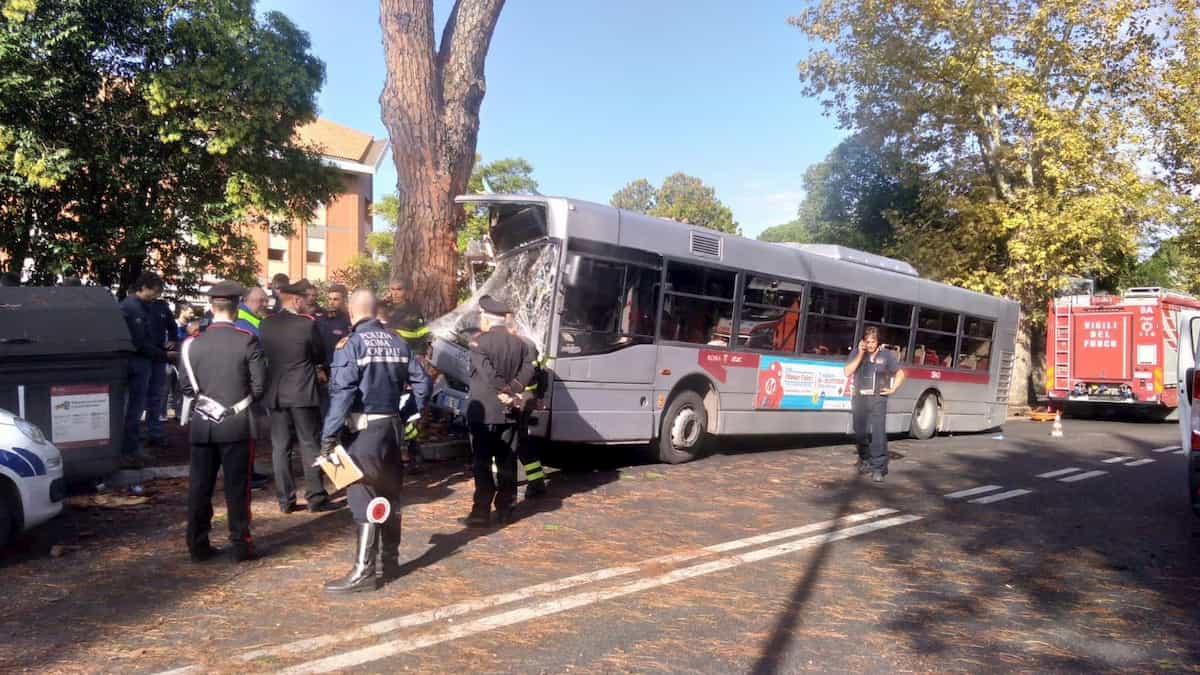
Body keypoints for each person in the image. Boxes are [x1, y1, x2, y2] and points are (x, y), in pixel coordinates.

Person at [320, 289, 430, 593]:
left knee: (362, 494)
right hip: (392, 429)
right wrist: (408, 412)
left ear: (352, 313)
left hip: (364, 432)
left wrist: (328, 438)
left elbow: (342, 395)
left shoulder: (350, 344)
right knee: (390, 493)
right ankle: (389, 561)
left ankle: (363, 572)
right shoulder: (398, 341)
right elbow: (424, 383)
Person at [178, 280, 266, 563]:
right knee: (237, 488)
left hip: (203, 425)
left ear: (211, 306)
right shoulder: (246, 339)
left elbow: (187, 388)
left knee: (199, 488)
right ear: (237, 307)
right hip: (237, 424)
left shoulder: (191, 344)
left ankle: (197, 544)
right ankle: (241, 544)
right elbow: (260, 386)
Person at [259, 279, 336, 513]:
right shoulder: (306, 325)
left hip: (275, 392)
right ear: (295, 300)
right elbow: (318, 353)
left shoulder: (266, 324)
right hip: (302, 390)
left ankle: (285, 500)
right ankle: (315, 496)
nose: (307, 304)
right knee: (309, 443)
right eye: (304, 300)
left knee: (280, 447)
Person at [465, 295, 536, 527]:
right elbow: (528, 370)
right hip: (510, 410)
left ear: (486, 318)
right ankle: (506, 507)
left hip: (484, 412)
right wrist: (514, 391)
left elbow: (487, 373)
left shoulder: (478, 342)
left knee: (482, 462)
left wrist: (503, 390)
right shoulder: (521, 344)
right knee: (507, 460)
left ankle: (481, 510)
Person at [843, 326, 906, 484]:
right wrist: (860, 354)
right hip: (860, 397)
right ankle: (865, 458)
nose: (870, 344)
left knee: (878, 433)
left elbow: (900, 373)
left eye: (873, 341)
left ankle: (878, 468)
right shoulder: (858, 353)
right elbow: (847, 372)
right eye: (867, 341)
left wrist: (892, 388)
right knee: (859, 431)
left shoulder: (886, 356)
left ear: (878, 342)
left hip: (878, 398)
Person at [119, 272, 167, 467]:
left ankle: (132, 448)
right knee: (133, 408)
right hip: (137, 362)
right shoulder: (131, 307)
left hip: (142, 361)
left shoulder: (140, 306)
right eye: (154, 292)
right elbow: (138, 341)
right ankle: (129, 450)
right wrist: (162, 355)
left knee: (136, 408)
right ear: (144, 287)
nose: (155, 296)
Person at [144, 296, 176, 449]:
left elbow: (172, 326)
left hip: (158, 358)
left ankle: (154, 433)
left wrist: (173, 339)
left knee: (156, 397)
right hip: (141, 357)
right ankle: (132, 436)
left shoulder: (162, 307)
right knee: (136, 398)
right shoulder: (135, 306)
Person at [316, 284, 351, 364]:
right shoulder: (321, 319)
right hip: (324, 368)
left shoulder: (351, 319)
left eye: (335, 299)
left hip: (342, 365)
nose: (331, 302)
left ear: (344, 299)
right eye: (330, 299)